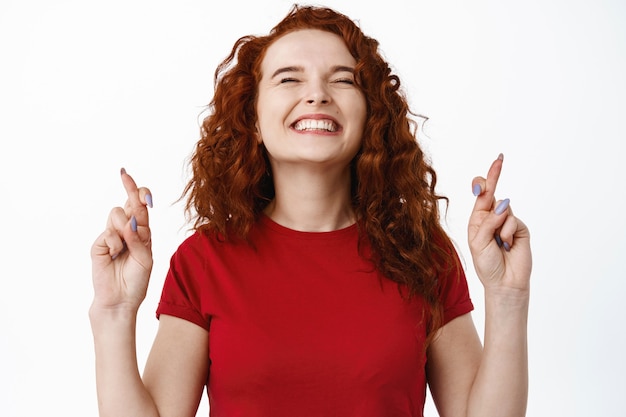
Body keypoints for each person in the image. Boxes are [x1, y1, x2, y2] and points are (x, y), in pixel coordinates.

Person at [89, 4, 531, 417]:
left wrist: (507, 297)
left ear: (370, 113)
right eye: (288, 79)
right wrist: (114, 313)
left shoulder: (423, 255)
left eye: (342, 79)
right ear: (255, 119)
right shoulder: (204, 261)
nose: (317, 95)